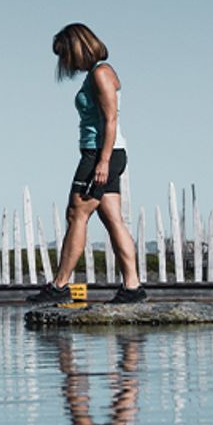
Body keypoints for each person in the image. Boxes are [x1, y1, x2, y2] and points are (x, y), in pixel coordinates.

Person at [30, 24, 145, 304]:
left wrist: (102, 162)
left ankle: (59, 285)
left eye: (65, 54)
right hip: (105, 153)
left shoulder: (102, 73)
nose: (64, 62)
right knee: (112, 218)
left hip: (100, 154)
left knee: (76, 213)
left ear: (78, 48)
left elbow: (111, 120)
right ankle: (133, 286)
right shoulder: (96, 74)